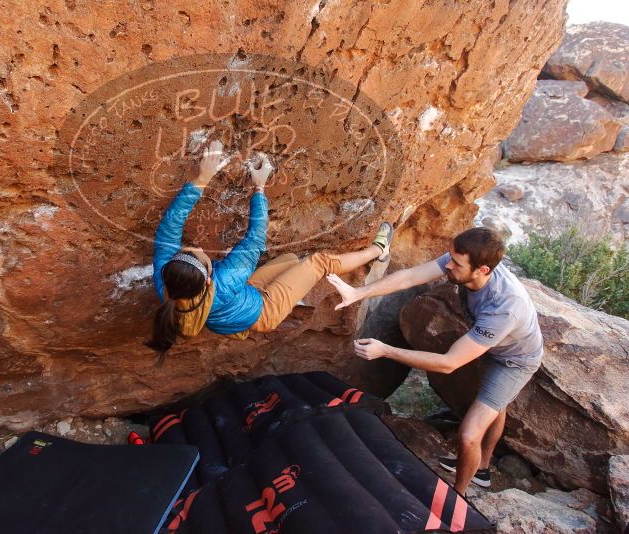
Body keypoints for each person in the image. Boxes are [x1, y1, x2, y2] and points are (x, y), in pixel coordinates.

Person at [327, 227, 543, 495]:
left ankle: (459, 495)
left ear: (483, 270)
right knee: (494, 401)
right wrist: (359, 293)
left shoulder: (504, 308)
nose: (448, 265)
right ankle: (483, 467)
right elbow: (412, 276)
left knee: (468, 434)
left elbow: (449, 363)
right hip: (491, 345)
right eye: (450, 258)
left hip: (515, 361)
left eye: (456, 263)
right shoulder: (467, 262)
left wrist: (387, 350)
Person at [148, 140, 393, 358]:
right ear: (209, 278)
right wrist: (260, 188)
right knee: (318, 262)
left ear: (170, 266)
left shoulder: (168, 281)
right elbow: (255, 240)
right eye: (200, 254)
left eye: (187, 250)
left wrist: (202, 179)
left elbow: (170, 227)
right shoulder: (222, 281)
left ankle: (293, 289)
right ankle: (378, 250)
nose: (197, 246)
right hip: (263, 311)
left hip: (241, 297)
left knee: (291, 259)